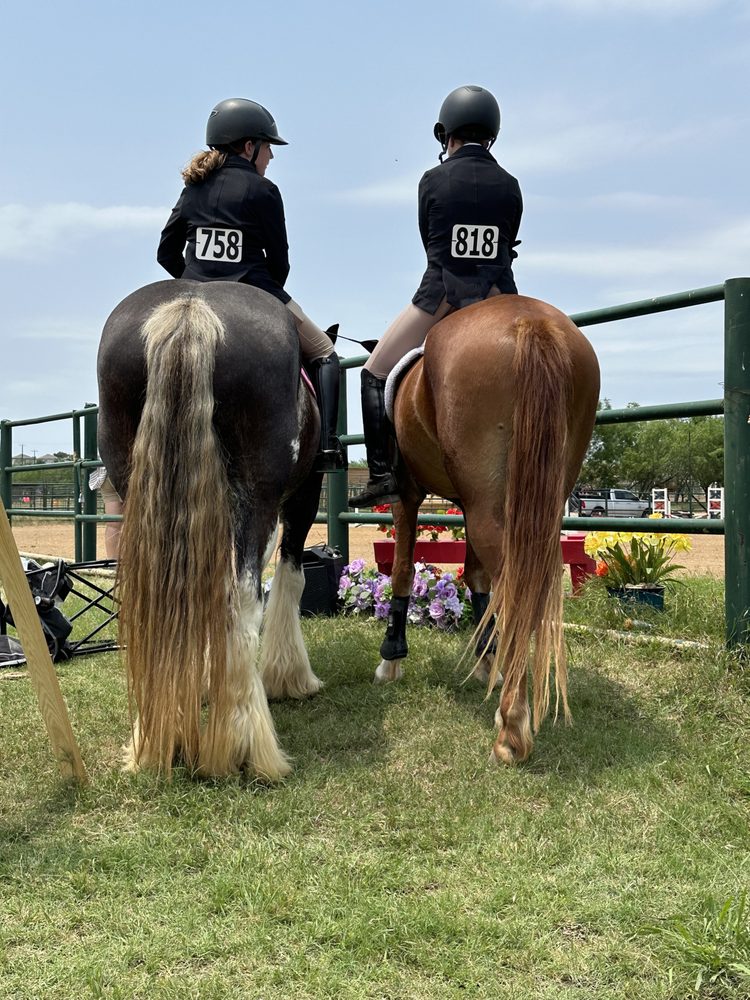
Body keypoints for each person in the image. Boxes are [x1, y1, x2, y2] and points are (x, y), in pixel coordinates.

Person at [348, 84, 523, 508]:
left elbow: (431, 244)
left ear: (446, 133)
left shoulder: (433, 180)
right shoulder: (510, 184)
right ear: (492, 135)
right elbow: (509, 240)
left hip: (441, 293)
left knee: (373, 373)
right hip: (500, 295)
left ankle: (382, 475)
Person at [157, 97, 345, 472]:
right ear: (249, 146)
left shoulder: (193, 188)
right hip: (254, 287)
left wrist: (192, 281)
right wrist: (264, 299)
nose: (271, 158)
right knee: (326, 353)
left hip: (193, 286)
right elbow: (280, 261)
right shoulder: (264, 190)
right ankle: (326, 448)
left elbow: (165, 251)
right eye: (268, 148)